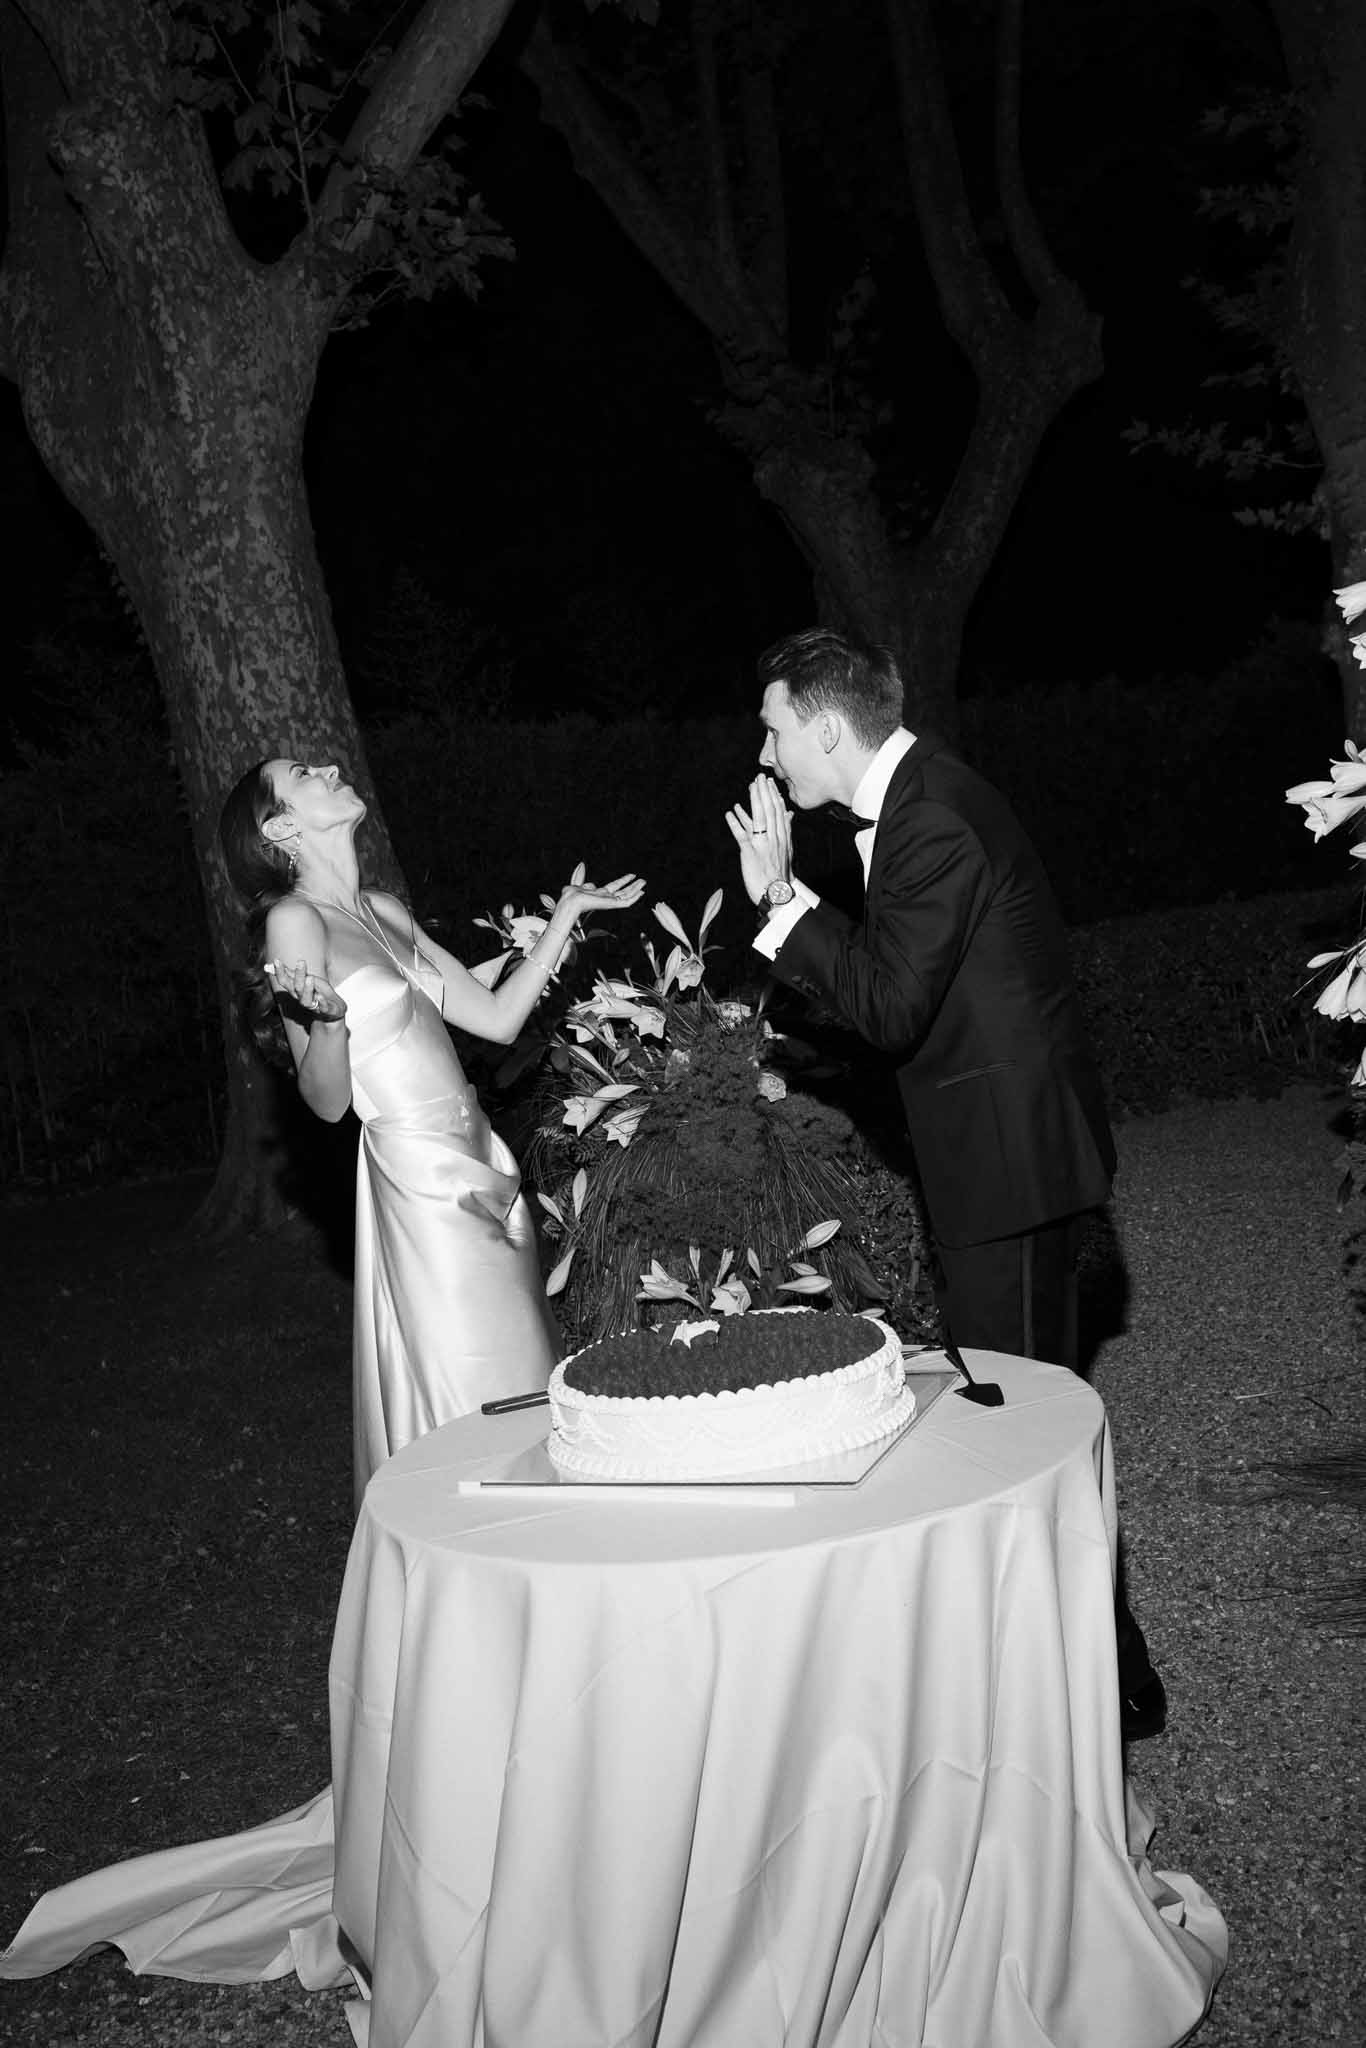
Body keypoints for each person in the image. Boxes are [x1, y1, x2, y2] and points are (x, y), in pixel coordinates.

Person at [724, 627, 1166, 1741]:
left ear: (826, 726)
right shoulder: (922, 796)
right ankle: (1101, 1671)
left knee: (1018, 1432)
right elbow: (912, 992)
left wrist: (778, 900)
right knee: (1030, 1423)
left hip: (1008, 1165)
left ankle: (1081, 1690)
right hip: (1002, 1148)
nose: (767, 756)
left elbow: (889, 1004)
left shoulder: (930, 818)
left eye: (775, 729)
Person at [219, 756, 645, 1505]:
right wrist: (327, 1024)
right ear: (281, 827)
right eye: (304, 773)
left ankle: (550, 1551)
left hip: (483, 1155)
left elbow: (496, 1017)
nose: (329, 766)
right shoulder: (295, 920)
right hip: (419, 1179)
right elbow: (325, 1102)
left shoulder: (383, 910)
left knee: (527, 1372)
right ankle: (478, 1552)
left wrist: (564, 920)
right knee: (472, 1387)